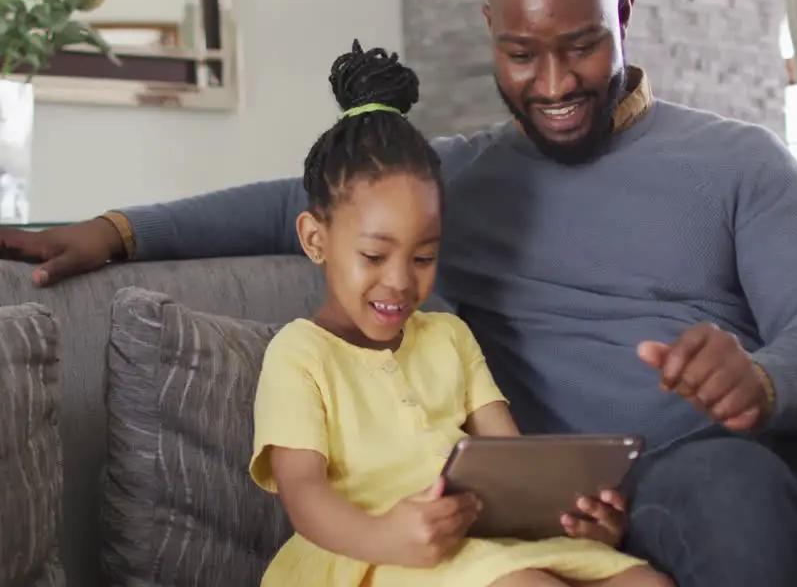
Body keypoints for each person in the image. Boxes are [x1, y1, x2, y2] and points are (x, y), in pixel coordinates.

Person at [0, 0, 797, 587]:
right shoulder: (455, 182)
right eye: (519, 53)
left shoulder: (738, 163)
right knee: (734, 502)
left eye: (579, 46)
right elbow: (293, 201)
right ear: (491, 33)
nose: (550, 85)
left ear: (621, 13)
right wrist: (114, 230)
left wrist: (761, 379)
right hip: (660, 485)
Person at [247, 39, 669, 587]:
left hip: (477, 547)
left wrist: (575, 519)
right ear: (314, 238)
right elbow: (303, 495)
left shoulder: (448, 337)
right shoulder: (299, 353)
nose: (400, 280)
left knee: (647, 583)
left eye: (423, 256)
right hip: (369, 557)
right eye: (374, 255)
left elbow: (515, 466)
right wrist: (387, 538)